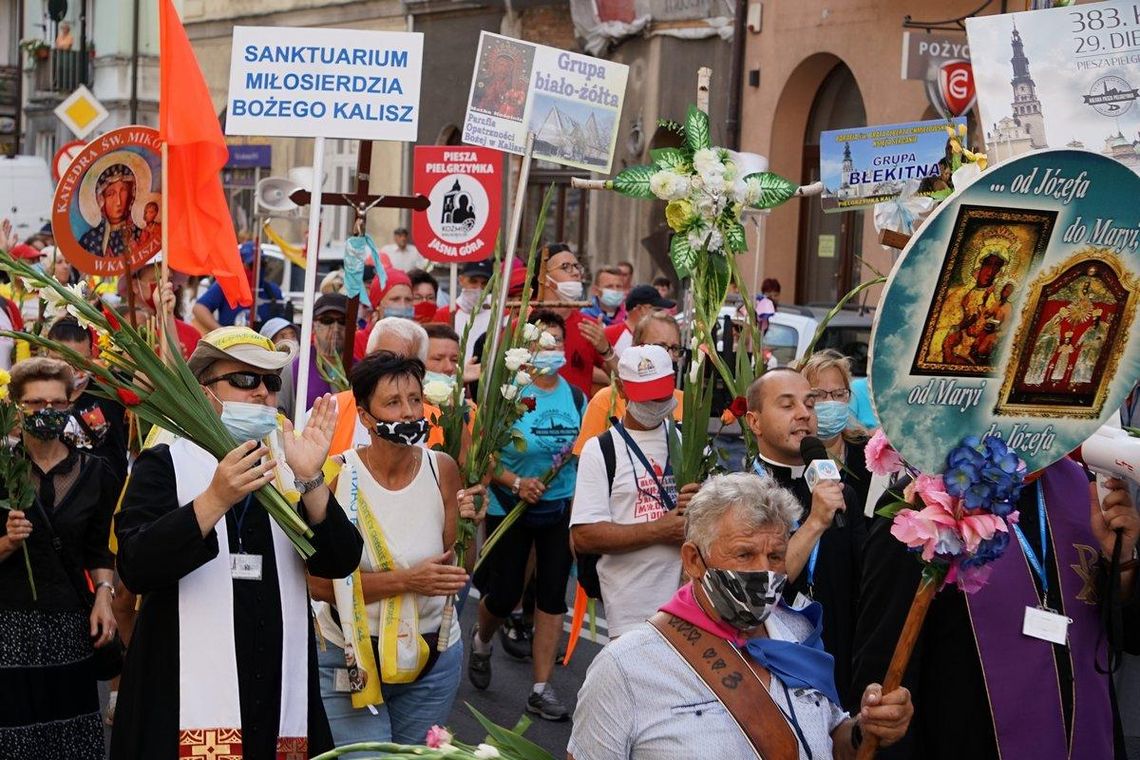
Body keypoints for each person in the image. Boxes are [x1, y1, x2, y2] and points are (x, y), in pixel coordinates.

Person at [111, 327, 364, 759]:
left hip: (277, 685)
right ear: (203, 390)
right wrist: (213, 500)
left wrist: (312, 480)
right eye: (246, 380)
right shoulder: (166, 461)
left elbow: (339, 562)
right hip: (181, 688)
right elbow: (135, 565)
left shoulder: (291, 460)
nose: (263, 392)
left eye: (271, 382)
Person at [569, 472, 914, 759]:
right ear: (693, 561)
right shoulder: (627, 666)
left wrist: (864, 730)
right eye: (744, 554)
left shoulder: (796, 633)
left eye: (776, 556)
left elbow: (829, 737)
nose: (764, 572)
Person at [852, 457, 1140, 759]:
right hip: (968, 738)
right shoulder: (923, 503)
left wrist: (1122, 562)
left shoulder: (1086, 486)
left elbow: (1129, 636)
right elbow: (883, 677)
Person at [310, 352, 482, 745]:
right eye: (392, 402)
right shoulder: (336, 476)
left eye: (415, 399)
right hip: (350, 656)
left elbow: (457, 570)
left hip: (432, 656)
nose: (408, 413)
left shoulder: (443, 469)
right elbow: (316, 584)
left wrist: (472, 524)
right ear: (366, 418)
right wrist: (408, 581)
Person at [0, 358, 121, 760]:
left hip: (70, 628)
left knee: (71, 742)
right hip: (9, 630)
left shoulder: (95, 473)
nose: (46, 412)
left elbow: (98, 548)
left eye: (55, 402)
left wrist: (104, 595)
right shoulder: (3, 470)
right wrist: (6, 543)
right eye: (35, 404)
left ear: (70, 402)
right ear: (17, 406)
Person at [469, 311, 586, 721]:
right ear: (528, 348)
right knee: (504, 595)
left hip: (557, 506)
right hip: (510, 505)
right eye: (543, 341)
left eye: (558, 340)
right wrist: (516, 483)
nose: (551, 349)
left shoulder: (575, 398)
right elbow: (484, 458)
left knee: (553, 595)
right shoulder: (507, 396)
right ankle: (482, 640)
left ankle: (541, 688)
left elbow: (580, 450)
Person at [743, 368, 864, 708]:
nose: (804, 414)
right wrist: (814, 522)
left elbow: (863, 585)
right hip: (766, 669)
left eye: (809, 404)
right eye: (787, 405)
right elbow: (756, 593)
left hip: (836, 662)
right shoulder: (739, 497)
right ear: (755, 422)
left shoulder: (840, 494)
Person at [571, 344, 697, 637]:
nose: (656, 401)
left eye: (662, 392)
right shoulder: (600, 450)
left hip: (690, 603)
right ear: (621, 389)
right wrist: (658, 530)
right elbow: (583, 536)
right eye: (646, 393)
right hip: (631, 609)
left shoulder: (689, 440)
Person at [330, 318, 446, 456]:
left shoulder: (442, 423)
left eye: (404, 366)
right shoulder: (331, 410)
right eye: (384, 360)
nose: (392, 371)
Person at [574, 313, 684, 454]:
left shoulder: (685, 402)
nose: (668, 356)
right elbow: (587, 462)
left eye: (675, 348)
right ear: (636, 347)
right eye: (659, 346)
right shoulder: (605, 401)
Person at [46, 317, 128, 483]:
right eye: (58, 362)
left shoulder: (109, 391)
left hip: (101, 497)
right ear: (45, 355)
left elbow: (158, 379)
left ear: (91, 357)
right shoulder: (34, 395)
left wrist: (166, 316)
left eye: (77, 362)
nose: (68, 369)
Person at [798, 349, 873, 513]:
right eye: (818, 395)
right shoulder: (793, 456)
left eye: (839, 394)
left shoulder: (868, 453)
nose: (831, 402)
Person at [540, 243, 617, 395]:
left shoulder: (589, 326)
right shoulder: (522, 325)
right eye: (565, 267)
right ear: (544, 278)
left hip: (579, 416)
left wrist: (606, 350)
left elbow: (621, 380)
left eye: (576, 266)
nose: (575, 273)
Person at [192, 242, 285, 330]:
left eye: (262, 264)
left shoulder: (272, 291)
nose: (258, 268)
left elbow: (281, 323)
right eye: (252, 265)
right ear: (241, 265)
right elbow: (199, 308)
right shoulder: (227, 285)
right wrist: (220, 331)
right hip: (231, 344)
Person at [435, 259, 493, 363]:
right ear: (461, 280)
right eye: (473, 281)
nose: (478, 288)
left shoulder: (500, 314)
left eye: (484, 283)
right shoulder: (445, 314)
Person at [78, 164, 140, 258]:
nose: (118, 202)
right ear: (100, 200)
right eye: (110, 194)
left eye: (123, 191)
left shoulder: (140, 234)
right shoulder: (90, 240)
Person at [354, 268, 415, 361]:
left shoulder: (419, 340)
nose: (403, 306)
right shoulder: (359, 341)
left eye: (408, 300)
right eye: (395, 299)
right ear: (378, 304)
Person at [604, 284, 676, 359]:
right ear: (640, 309)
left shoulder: (660, 338)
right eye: (656, 309)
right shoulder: (610, 334)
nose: (661, 313)